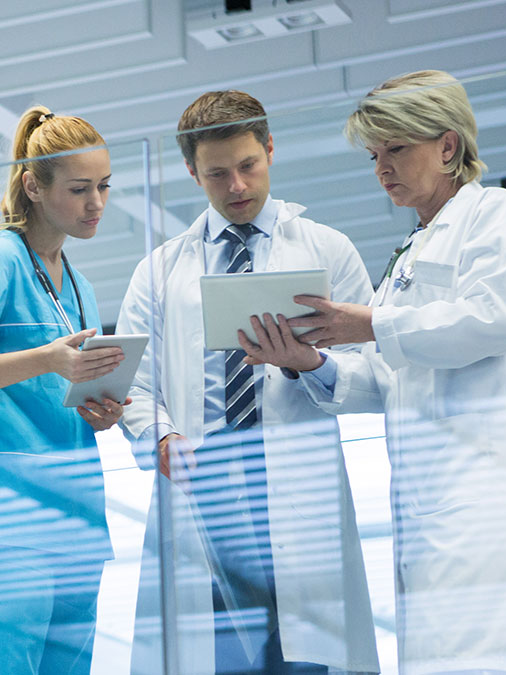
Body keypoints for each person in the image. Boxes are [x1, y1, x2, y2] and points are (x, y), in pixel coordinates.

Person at [243, 70, 506, 674]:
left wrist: (374, 324)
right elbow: (390, 380)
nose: (382, 167)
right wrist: (311, 360)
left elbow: (495, 319)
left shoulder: (495, 215)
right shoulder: (411, 253)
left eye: (397, 149)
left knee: (486, 660)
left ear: (447, 146)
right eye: (374, 154)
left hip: (486, 496)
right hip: (425, 503)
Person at [116, 90, 379, 674]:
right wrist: (160, 438)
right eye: (216, 174)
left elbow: (377, 375)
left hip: (290, 481)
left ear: (270, 149)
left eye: (247, 166)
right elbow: (133, 383)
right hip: (205, 485)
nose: (236, 186)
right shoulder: (160, 270)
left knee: (302, 659)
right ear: (190, 172)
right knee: (218, 655)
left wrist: (311, 363)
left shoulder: (327, 250)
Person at [0, 106, 129, 675]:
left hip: (77, 510)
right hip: (6, 512)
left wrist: (100, 406)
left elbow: (56, 385)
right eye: (80, 189)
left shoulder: (79, 283)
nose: (97, 204)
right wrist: (47, 359)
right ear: (34, 186)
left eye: (104, 187)